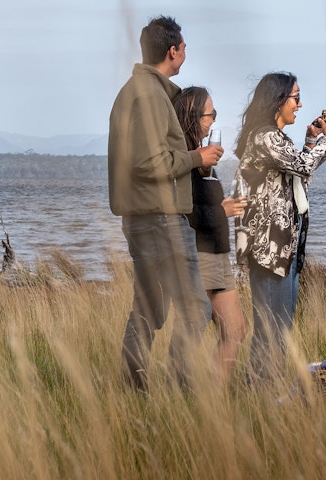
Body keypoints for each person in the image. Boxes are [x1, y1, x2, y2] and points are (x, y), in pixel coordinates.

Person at [108, 16, 224, 392]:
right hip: (159, 220)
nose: (186, 52)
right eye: (184, 47)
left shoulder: (145, 91)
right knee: (195, 310)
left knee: (149, 310)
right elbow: (147, 163)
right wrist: (197, 157)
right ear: (173, 51)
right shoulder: (148, 95)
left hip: (145, 219)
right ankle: (181, 390)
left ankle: (132, 389)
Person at [234, 72, 326, 383]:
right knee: (272, 331)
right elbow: (304, 166)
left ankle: (263, 395)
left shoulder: (277, 139)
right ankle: (260, 395)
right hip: (269, 250)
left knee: (280, 329)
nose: (300, 104)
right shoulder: (265, 137)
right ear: (279, 101)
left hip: (285, 248)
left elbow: (298, 177)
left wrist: (309, 143)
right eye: (295, 98)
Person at [173, 86, 248, 385]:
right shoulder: (182, 159)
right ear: (193, 117)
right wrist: (223, 212)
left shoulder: (202, 162)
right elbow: (185, 214)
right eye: (210, 115)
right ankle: (182, 392)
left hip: (218, 255)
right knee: (195, 328)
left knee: (235, 330)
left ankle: (214, 399)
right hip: (200, 254)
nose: (214, 121)